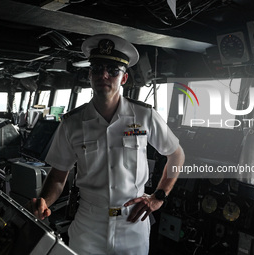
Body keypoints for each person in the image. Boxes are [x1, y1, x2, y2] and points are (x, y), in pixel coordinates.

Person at [28, 34, 185, 255]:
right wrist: (44, 201)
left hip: (133, 224)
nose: (104, 75)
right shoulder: (72, 123)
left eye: (113, 70)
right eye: (98, 68)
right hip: (88, 227)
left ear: (123, 78)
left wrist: (159, 196)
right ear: (89, 74)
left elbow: (176, 155)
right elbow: (57, 177)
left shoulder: (144, 115)